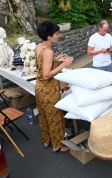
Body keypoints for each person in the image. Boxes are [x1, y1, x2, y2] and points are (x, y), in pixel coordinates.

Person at [35, 20, 74, 153]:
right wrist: (63, 65)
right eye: (57, 33)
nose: (59, 35)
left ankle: (47, 140)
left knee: (44, 116)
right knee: (55, 117)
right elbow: (46, 75)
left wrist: (56, 59)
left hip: (39, 88)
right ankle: (57, 145)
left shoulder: (39, 46)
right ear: (49, 36)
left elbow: (42, 63)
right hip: (49, 90)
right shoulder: (48, 52)